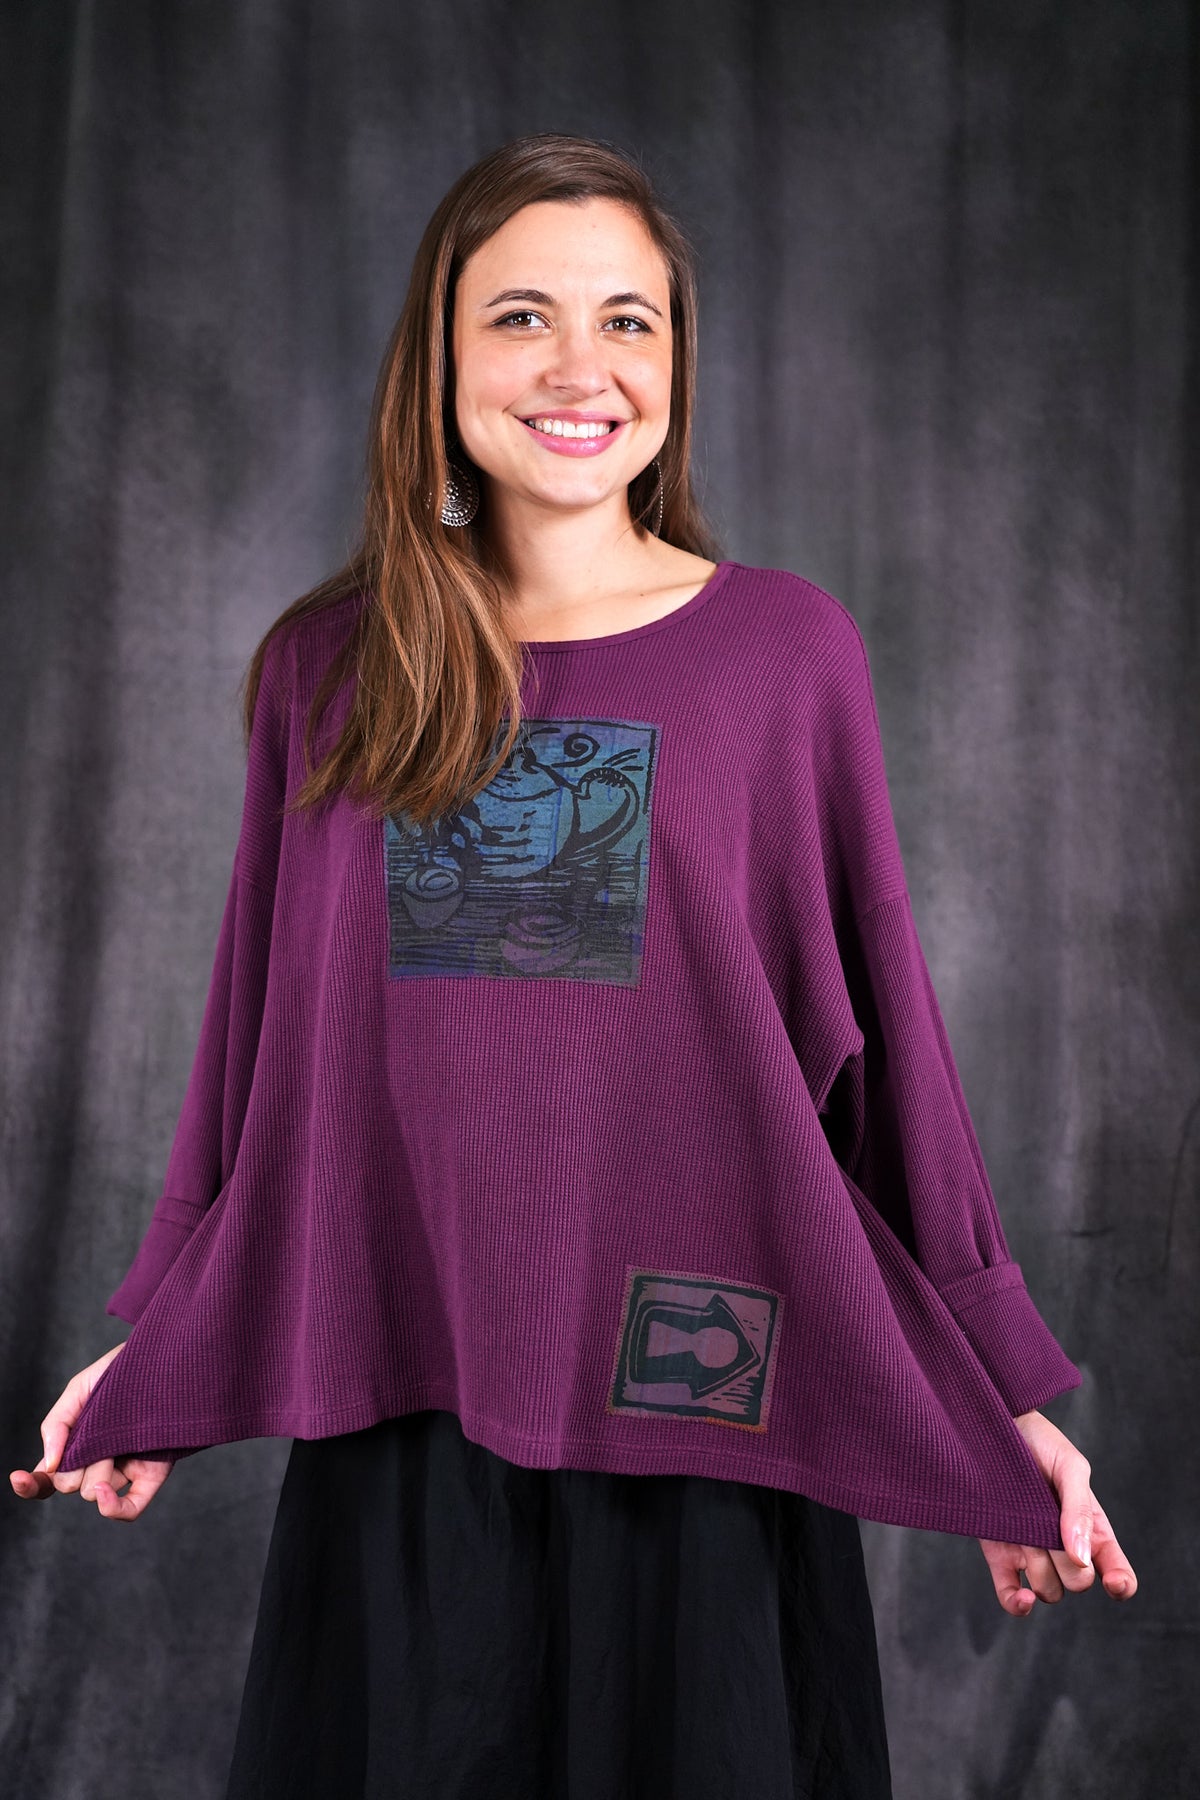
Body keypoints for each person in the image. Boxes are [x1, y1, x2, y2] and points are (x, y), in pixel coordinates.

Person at [11, 132, 1137, 1799]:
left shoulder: (783, 656)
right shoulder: (331, 670)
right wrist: (170, 1336)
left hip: (704, 1424)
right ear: (440, 357)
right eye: (521, 316)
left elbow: (881, 1046)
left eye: (628, 321)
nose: (578, 367)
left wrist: (993, 1396)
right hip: (407, 1399)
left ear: (676, 362)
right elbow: (261, 1044)